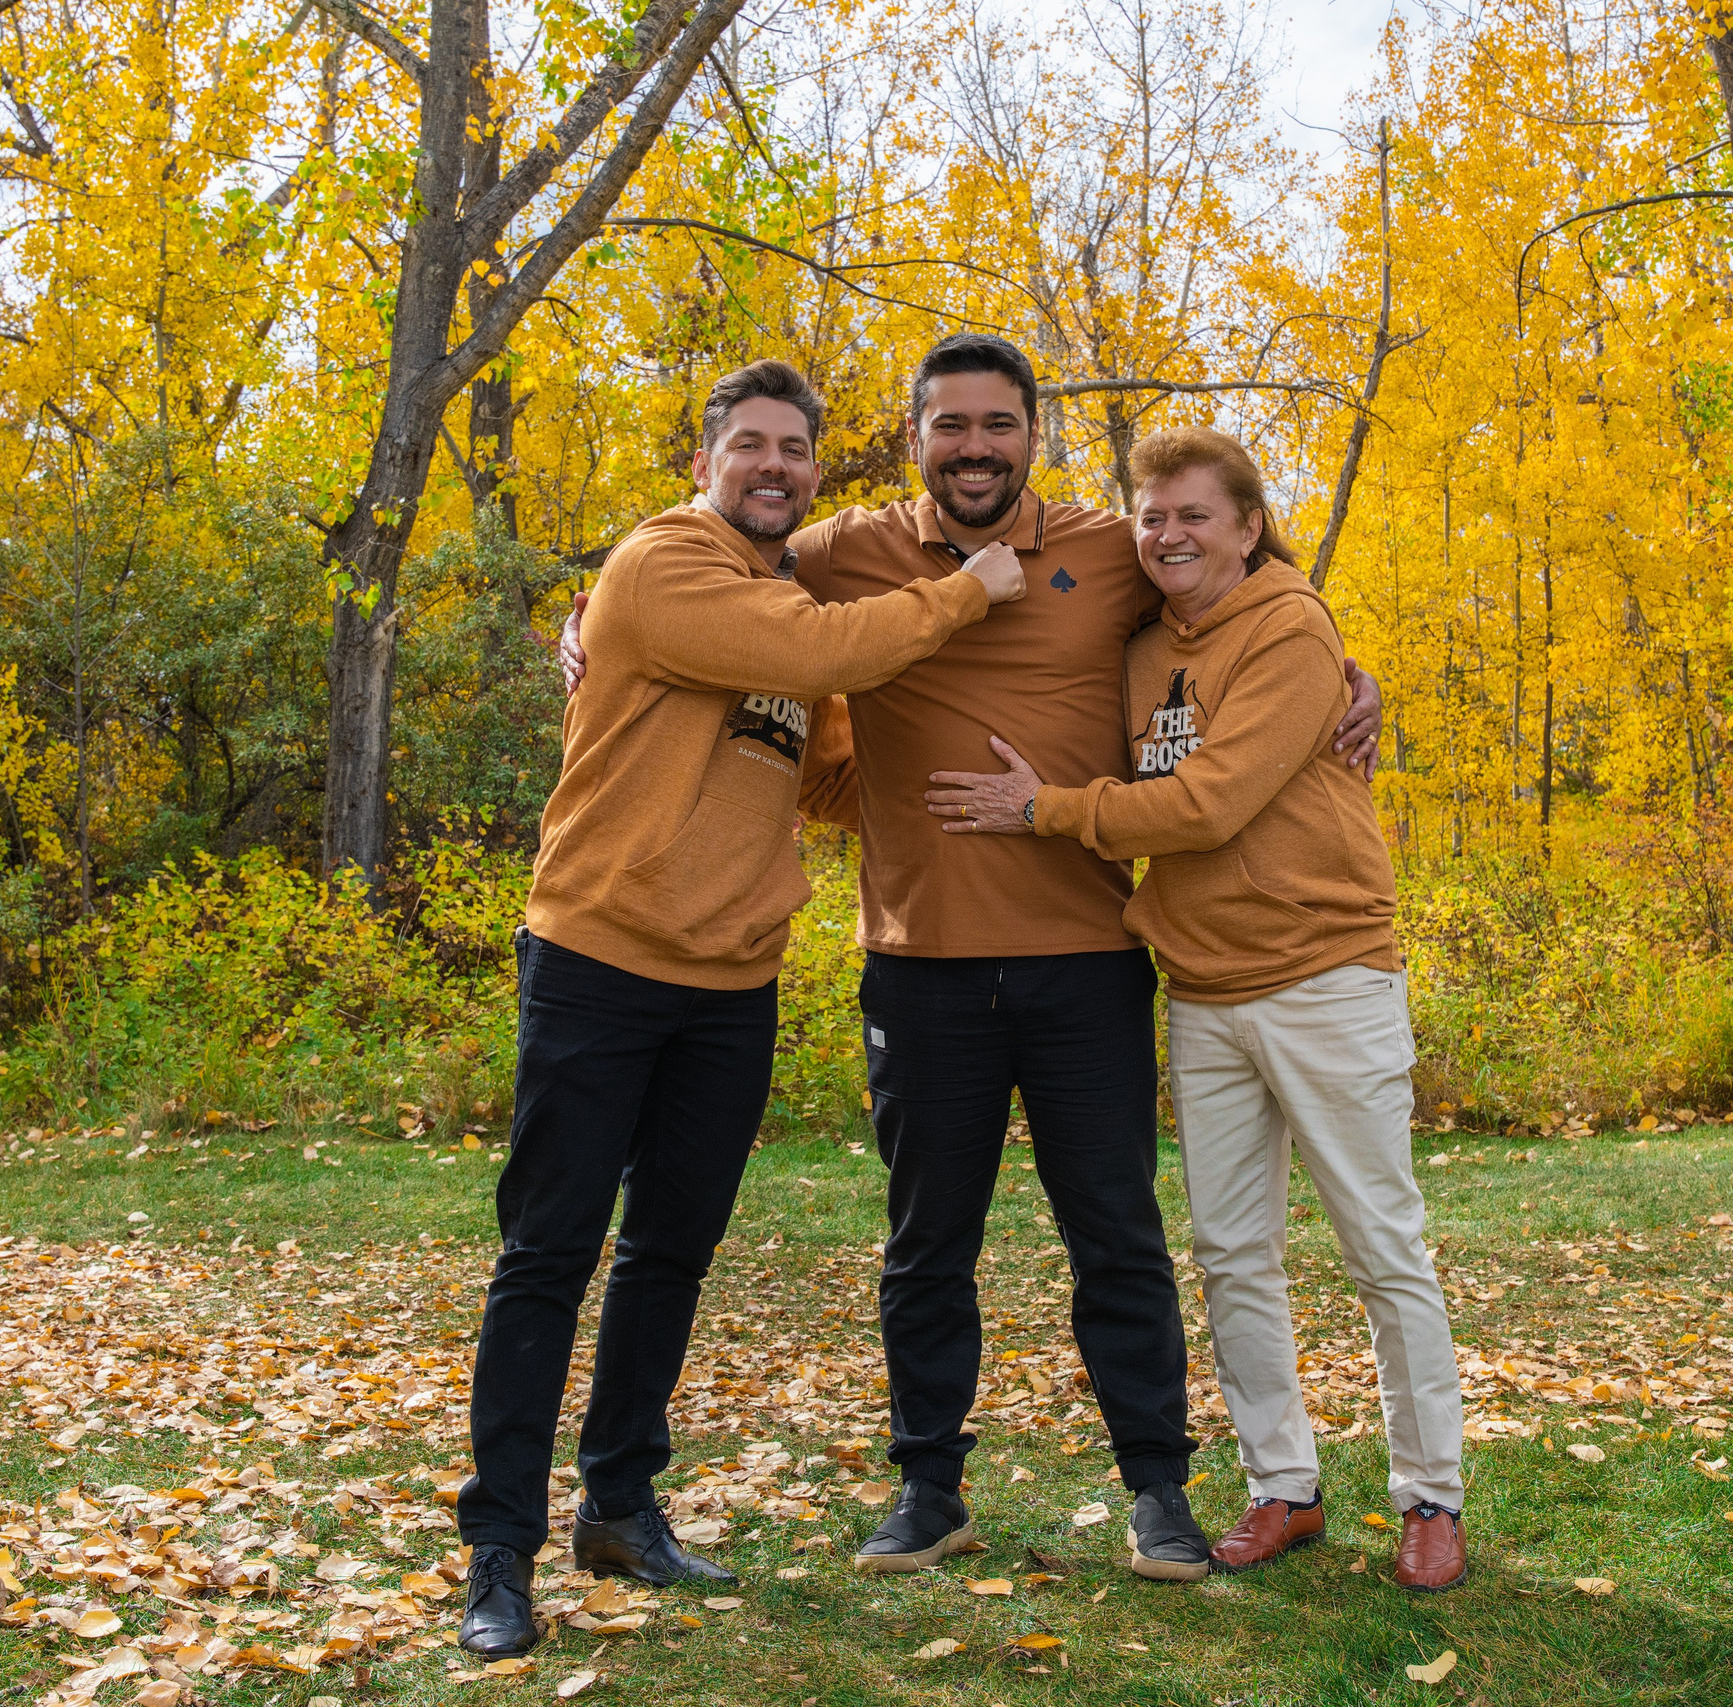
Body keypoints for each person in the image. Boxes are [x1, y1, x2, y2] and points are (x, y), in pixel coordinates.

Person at [557, 334, 1384, 1585]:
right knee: (925, 1244)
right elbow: (713, 562)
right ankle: (928, 1488)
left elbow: (1235, 592)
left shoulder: (1109, 549)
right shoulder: (847, 556)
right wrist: (580, 619)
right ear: (913, 439)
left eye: (999, 425)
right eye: (951, 426)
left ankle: (1158, 1488)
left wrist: (1348, 664)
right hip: (919, 964)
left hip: (1086, 959)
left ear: (1031, 436)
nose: (976, 447)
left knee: (1114, 1234)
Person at [454, 358, 1029, 1661]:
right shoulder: (662, 567)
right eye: (750, 445)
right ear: (704, 465)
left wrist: (1017, 797)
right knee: (550, 1254)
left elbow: (825, 770)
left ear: (813, 473)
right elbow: (823, 646)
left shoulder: (778, 604)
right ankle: (499, 1549)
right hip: (601, 954)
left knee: (668, 1255)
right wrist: (966, 592)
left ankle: (620, 1505)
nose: (775, 466)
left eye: (795, 450)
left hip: (728, 984)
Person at [924, 423, 1469, 1592]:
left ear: (1248, 526)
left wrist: (1046, 812)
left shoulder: (1290, 627)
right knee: (1230, 1256)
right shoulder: (1139, 640)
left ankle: (1431, 1495)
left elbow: (1211, 802)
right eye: (1150, 515)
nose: (1167, 534)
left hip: (1325, 972)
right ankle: (1284, 1486)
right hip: (1204, 991)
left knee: (1381, 1247)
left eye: (1193, 515)